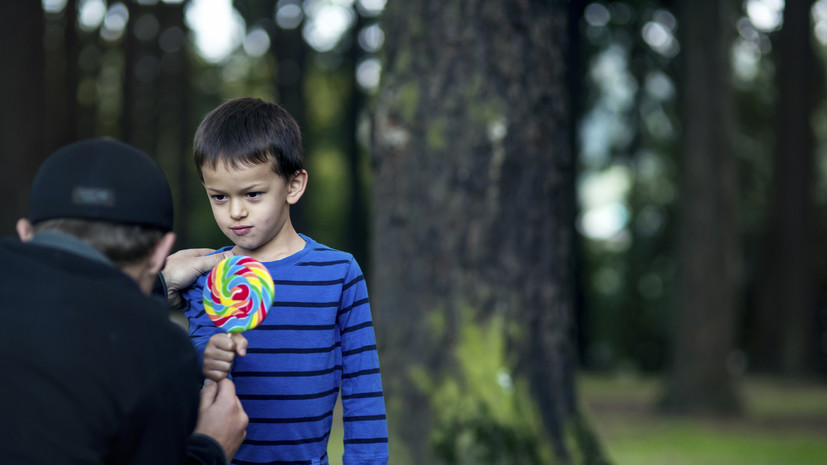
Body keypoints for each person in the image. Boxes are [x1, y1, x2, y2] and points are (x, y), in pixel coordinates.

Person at [0, 138, 248, 465]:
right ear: (162, 251)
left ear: (25, 232)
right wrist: (210, 448)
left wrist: (159, 285)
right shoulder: (160, 352)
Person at [181, 97, 389, 464]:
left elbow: (363, 387)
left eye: (253, 194)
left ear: (293, 185)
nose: (235, 212)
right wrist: (207, 355)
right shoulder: (211, 276)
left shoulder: (339, 273)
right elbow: (194, 348)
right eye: (219, 197)